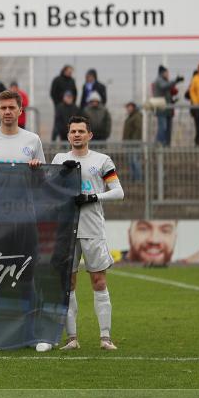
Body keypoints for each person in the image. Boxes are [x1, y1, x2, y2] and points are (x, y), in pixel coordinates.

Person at [53, 115, 124, 351]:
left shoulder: (102, 160)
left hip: (92, 228)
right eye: (72, 131)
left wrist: (93, 197)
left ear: (89, 135)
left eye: (81, 131)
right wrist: (62, 174)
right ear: (68, 135)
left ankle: (105, 337)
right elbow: (50, 190)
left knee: (98, 280)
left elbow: (118, 192)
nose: (76, 135)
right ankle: (72, 338)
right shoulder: (60, 159)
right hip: (66, 229)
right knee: (68, 283)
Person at [0, 90, 45, 166]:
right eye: (3, 108)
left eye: (11, 108)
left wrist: (36, 169)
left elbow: (44, 175)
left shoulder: (34, 139)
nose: (7, 112)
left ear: (20, 110)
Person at [124, 220, 199, 265]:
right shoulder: (115, 261)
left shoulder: (168, 266)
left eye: (165, 230)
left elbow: (181, 264)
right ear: (129, 234)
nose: (154, 240)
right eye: (144, 229)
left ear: (175, 238)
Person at [151, 65, 183, 146]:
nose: (168, 74)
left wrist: (172, 100)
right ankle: (159, 145)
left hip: (167, 110)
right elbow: (164, 86)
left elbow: (167, 93)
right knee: (163, 128)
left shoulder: (165, 81)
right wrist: (175, 81)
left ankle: (166, 145)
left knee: (168, 129)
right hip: (162, 109)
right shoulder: (159, 80)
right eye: (167, 72)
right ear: (162, 73)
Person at [50, 65, 77, 140]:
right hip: (59, 106)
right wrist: (57, 103)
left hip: (70, 107)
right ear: (64, 71)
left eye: (71, 72)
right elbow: (53, 93)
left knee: (70, 123)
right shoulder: (57, 80)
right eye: (69, 72)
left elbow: (75, 92)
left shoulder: (72, 81)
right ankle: (53, 141)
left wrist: (72, 103)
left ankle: (69, 140)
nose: (70, 73)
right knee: (58, 123)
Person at [122, 102, 143, 182]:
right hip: (129, 143)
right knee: (131, 161)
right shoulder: (130, 117)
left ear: (133, 107)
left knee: (135, 161)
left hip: (134, 143)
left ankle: (138, 179)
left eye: (130, 107)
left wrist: (133, 141)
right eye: (127, 107)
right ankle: (133, 178)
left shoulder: (137, 116)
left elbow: (138, 130)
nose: (128, 109)